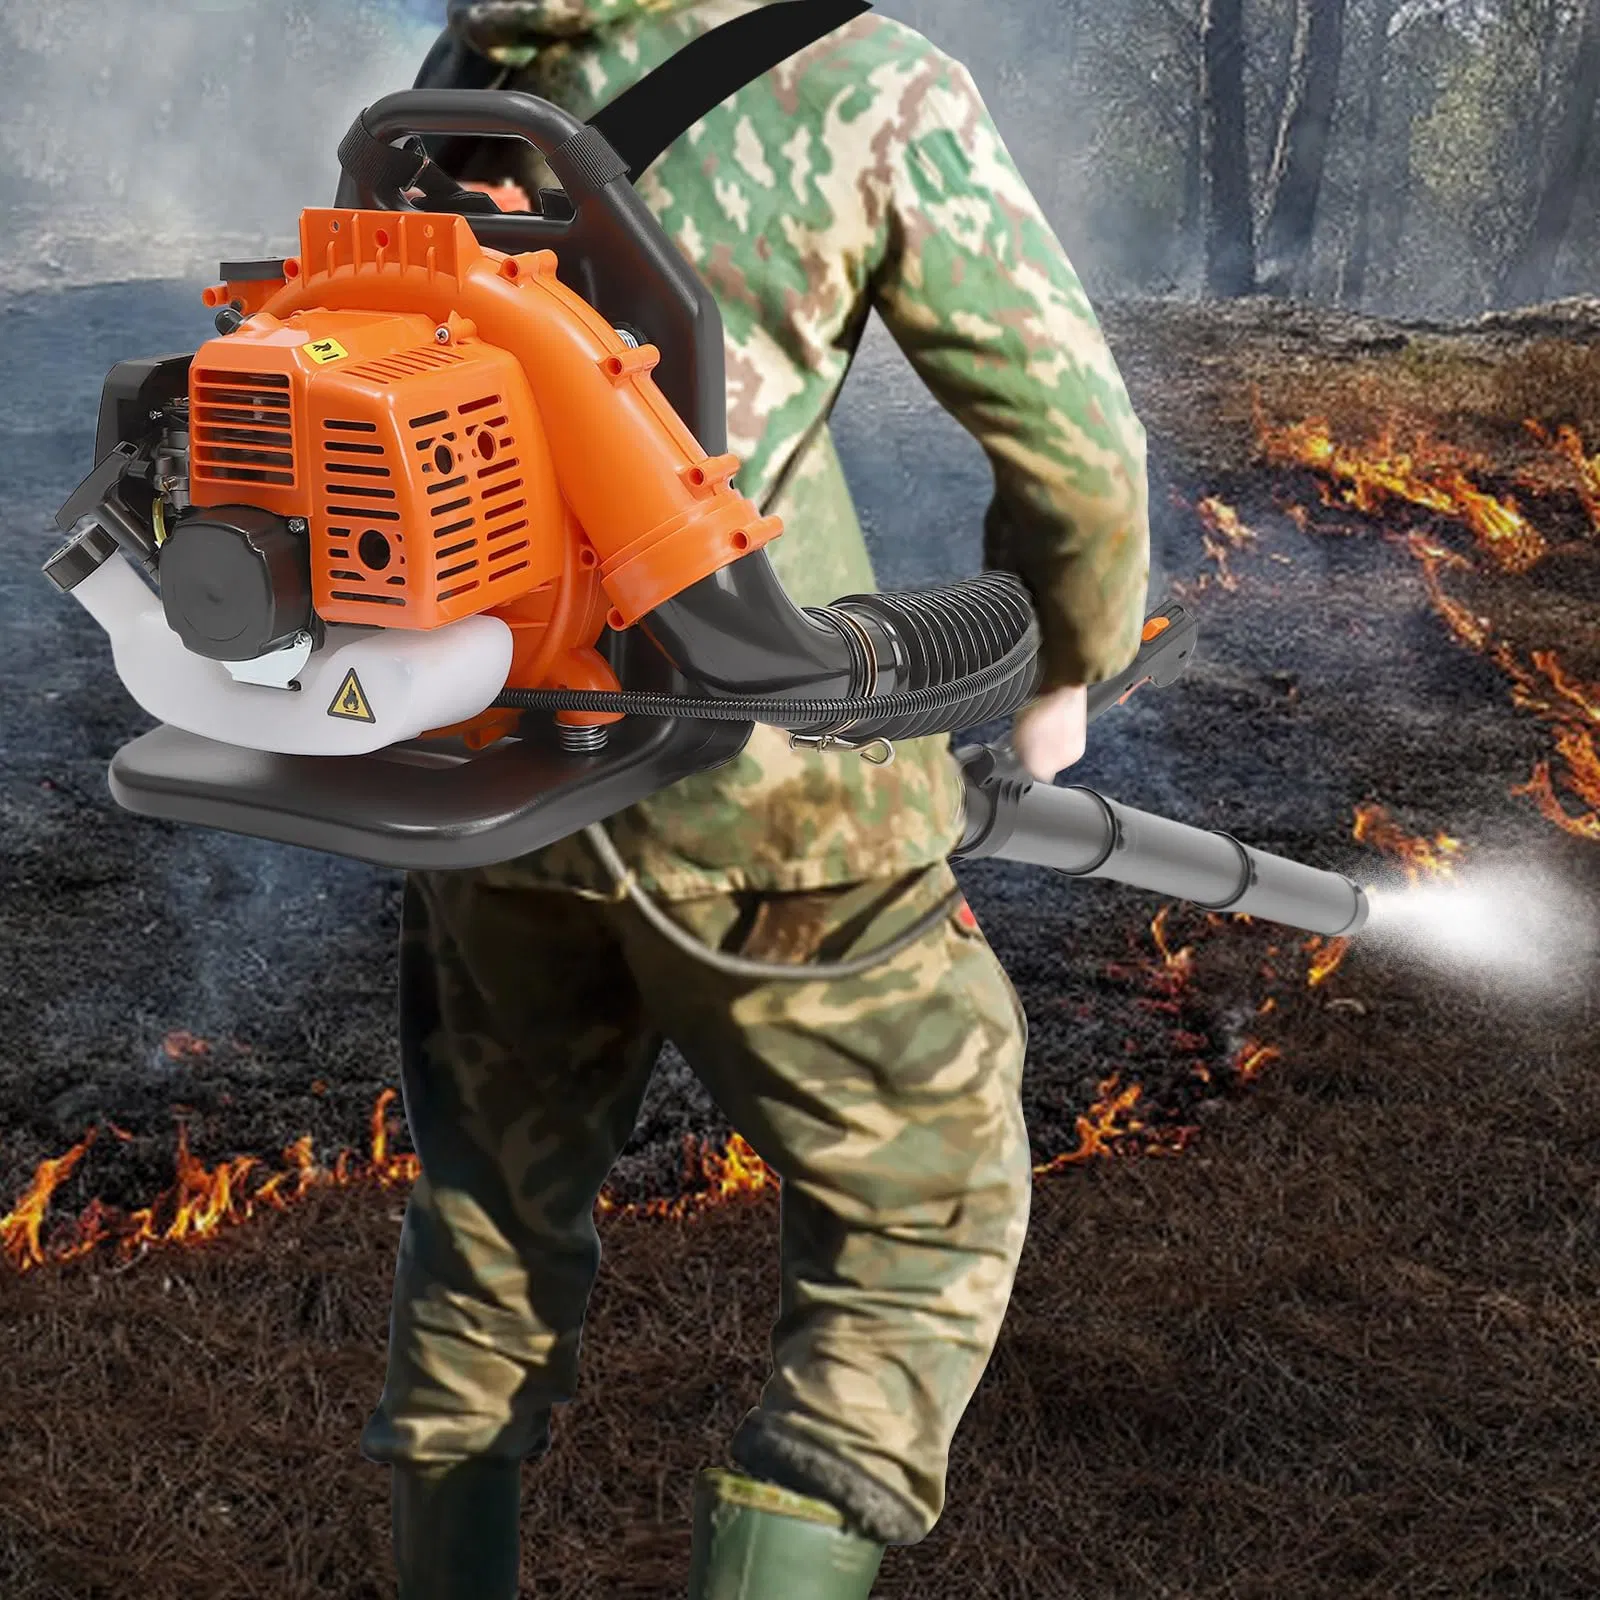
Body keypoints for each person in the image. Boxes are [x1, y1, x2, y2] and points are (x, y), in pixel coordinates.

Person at [357, 3, 1151, 1596]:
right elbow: (1074, 446)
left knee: (492, 1221)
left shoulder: (461, 75)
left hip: (492, 773)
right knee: (921, 1209)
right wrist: (1066, 666)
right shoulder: (870, 77)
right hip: (779, 810)